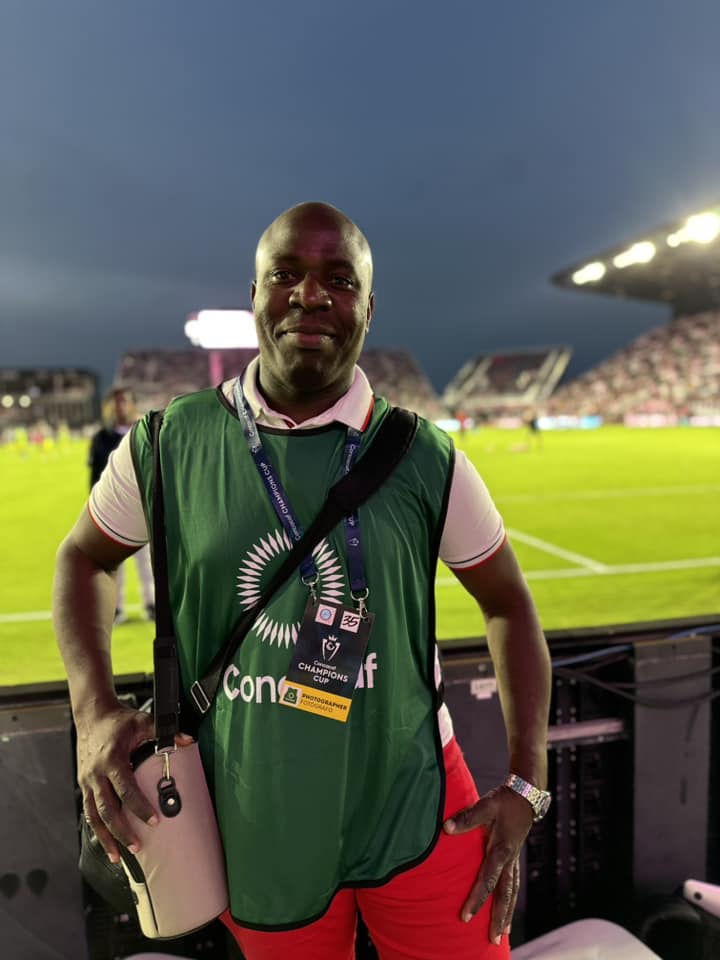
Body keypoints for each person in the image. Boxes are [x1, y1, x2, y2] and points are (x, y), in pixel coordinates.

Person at [53, 202, 552, 960]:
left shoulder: (424, 457)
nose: (310, 296)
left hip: (418, 806)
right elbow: (82, 559)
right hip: (254, 813)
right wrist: (92, 713)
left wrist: (527, 780)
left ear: (369, 308)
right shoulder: (167, 443)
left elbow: (509, 603)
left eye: (339, 281)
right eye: (285, 274)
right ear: (255, 293)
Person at [88, 387, 155, 623]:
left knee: (148, 562)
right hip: (113, 509)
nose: (120, 406)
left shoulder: (145, 432)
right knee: (114, 564)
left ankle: (152, 604)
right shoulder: (101, 438)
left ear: (132, 404)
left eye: (124, 401)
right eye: (115, 402)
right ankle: (115, 608)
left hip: (144, 506)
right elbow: (95, 476)